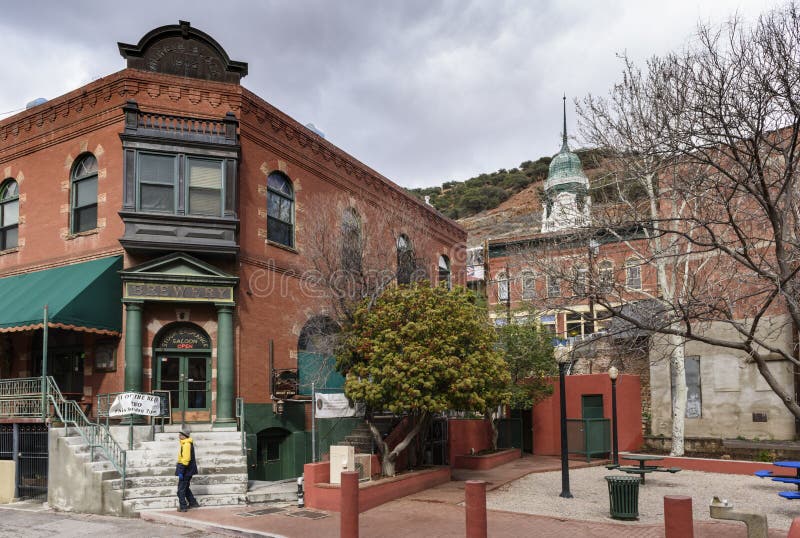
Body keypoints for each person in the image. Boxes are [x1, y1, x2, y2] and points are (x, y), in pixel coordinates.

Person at [176, 428, 199, 512]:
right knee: (185, 488)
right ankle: (193, 503)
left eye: (180, 434)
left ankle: (183, 507)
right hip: (188, 470)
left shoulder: (186, 445)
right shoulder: (185, 443)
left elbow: (185, 460)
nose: (179, 436)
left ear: (184, 436)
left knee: (180, 490)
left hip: (186, 470)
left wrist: (181, 471)